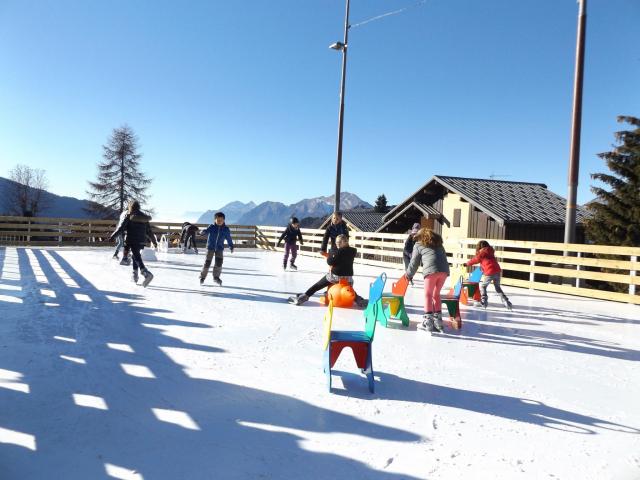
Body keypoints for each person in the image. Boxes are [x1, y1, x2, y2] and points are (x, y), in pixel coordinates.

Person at [289, 234, 366, 307]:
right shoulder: (353, 251)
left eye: (339, 242)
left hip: (335, 277)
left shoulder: (338, 251)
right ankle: (359, 300)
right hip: (348, 279)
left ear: (346, 242)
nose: (337, 244)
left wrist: (331, 253)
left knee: (317, 285)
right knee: (350, 290)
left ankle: (304, 297)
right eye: (336, 242)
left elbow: (330, 262)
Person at [406, 228, 450, 333]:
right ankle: (438, 321)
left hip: (431, 271)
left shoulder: (418, 245)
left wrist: (408, 274)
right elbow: (443, 258)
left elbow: (414, 263)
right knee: (436, 294)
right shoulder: (439, 244)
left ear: (420, 237)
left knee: (428, 295)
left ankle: (428, 322)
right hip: (444, 271)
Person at [109, 200, 157, 287]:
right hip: (141, 240)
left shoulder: (129, 215)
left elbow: (121, 228)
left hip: (131, 240)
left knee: (136, 256)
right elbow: (149, 231)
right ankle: (135, 275)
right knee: (136, 255)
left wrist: (113, 236)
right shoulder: (144, 217)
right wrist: (154, 241)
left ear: (130, 207)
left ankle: (145, 273)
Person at [465, 240, 512, 310]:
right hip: (497, 271)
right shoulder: (490, 251)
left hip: (489, 272)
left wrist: (466, 264)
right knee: (497, 287)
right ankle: (506, 301)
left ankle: (484, 301)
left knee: (483, 286)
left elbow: (474, 260)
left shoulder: (481, 254)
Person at [199, 212, 234, 286]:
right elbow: (206, 231)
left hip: (219, 248)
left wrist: (231, 246)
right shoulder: (211, 227)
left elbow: (229, 238)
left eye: (221, 220)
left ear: (224, 220)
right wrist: (203, 232)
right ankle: (202, 277)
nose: (219, 222)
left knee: (219, 263)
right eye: (217, 220)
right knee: (207, 262)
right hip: (210, 247)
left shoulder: (226, 229)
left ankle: (216, 277)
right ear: (214, 220)